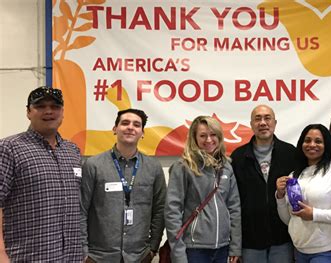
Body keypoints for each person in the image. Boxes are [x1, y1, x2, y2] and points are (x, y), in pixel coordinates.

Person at [0, 86, 82, 261]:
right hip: (29, 256)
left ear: (63, 112)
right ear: (29, 112)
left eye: (55, 106)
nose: (49, 111)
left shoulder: (72, 150)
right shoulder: (9, 148)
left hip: (71, 256)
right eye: (41, 106)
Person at [80, 108, 166, 262]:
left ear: (142, 132)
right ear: (115, 129)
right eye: (125, 123)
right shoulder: (93, 165)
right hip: (99, 257)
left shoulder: (153, 167)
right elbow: (81, 210)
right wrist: (84, 252)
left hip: (139, 256)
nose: (130, 127)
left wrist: (153, 248)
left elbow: (160, 209)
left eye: (136, 125)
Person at [276, 124, 331, 263]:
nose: (312, 145)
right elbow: (289, 220)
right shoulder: (295, 175)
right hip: (300, 251)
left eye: (318, 141)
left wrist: (314, 214)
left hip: (330, 251)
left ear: (327, 144)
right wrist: (279, 196)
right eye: (307, 140)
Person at [165, 116, 241, 263]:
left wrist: (235, 246)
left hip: (222, 248)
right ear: (194, 138)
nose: (208, 140)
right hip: (194, 248)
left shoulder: (227, 167)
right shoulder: (183, 167)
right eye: (202, 135)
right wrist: (178, 253)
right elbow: (172, 211)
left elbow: (234, 208)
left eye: (213, 135)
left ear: (219, 137)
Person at [231, 105, 296, 263]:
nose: (262, 122)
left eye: (267, 118)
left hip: (283, 238)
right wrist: (235, 244)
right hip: (250, 240)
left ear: (275, 122)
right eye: (257, 118)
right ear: (251, 124)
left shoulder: (290, 153)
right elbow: (233, 203)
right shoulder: (238, 157)